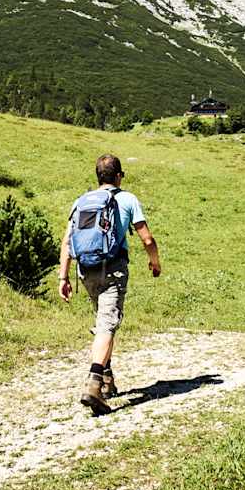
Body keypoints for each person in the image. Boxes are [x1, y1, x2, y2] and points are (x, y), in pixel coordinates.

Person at [58, 153, 161, 415]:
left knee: (103, 321)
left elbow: (67, 242)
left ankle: (106, 379)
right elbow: (147, 239)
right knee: (106, 325)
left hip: (86, 270)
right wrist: (155, 263)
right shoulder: (127, 199)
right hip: (113, 269)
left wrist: (63, 277)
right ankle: (93, 383)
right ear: (118, 176)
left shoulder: (81, 201)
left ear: (98, 177)